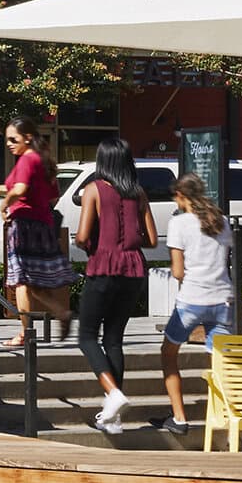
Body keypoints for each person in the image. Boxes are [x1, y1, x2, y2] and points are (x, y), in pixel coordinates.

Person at [74, 136, 157, 432]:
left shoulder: (93, 190)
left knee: (86, 336)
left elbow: (82, 236)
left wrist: (91, 244)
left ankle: (113, 393)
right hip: (133, 269)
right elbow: (152, 239)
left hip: (103, 266)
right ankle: (113, 419)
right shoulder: (139, 193)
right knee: (113, 340)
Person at [153, 170, 234, 436]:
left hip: (192, 299)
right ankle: (223, 417)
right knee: (220, 362)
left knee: (168, 353)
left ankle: (179, 418)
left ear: (180, 196)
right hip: (222, 299)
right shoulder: (221, 220)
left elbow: (177, 272)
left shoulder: (179, 223)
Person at [0, 118, 73, 346]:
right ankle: (62, 312)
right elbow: (52, 196)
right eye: (7, 140)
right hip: (42, 225)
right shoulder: (42, 161)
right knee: (34, 285)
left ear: (28, 138)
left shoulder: (27, 159)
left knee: (20, 281)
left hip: (24, 225)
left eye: (14, 139)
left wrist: (4, 205)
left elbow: (19, 189)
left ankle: (25, 332)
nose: (10, 144)